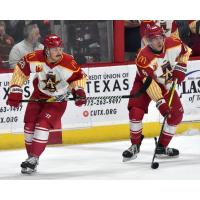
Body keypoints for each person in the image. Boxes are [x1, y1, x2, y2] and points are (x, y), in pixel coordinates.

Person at [6, 34, 87, 174]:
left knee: (42, 125)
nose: (59, 52)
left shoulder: (68, 62)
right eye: (54, 49)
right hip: (38, 95)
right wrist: (15, 89)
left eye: (60, 48)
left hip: (57, 100)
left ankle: (34, 158)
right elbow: (20, 71)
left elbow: (79, 77)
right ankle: (31, 158)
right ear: (46, 50)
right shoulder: (34, 58)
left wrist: (78, 90)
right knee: (29, 126)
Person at [122, 25, 191, 162]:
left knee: (176, 115)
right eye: (154, 39)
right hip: (144, 83)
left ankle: (162, 148)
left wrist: (181, 67)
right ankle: (135, 145)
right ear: (148, 40)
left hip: (165, 84)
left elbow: (186, 51)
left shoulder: (173, 43)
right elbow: (150, 85)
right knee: (136, 111)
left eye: (160, 37)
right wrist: (161, 104)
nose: (158, 41)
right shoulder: (143, 57)